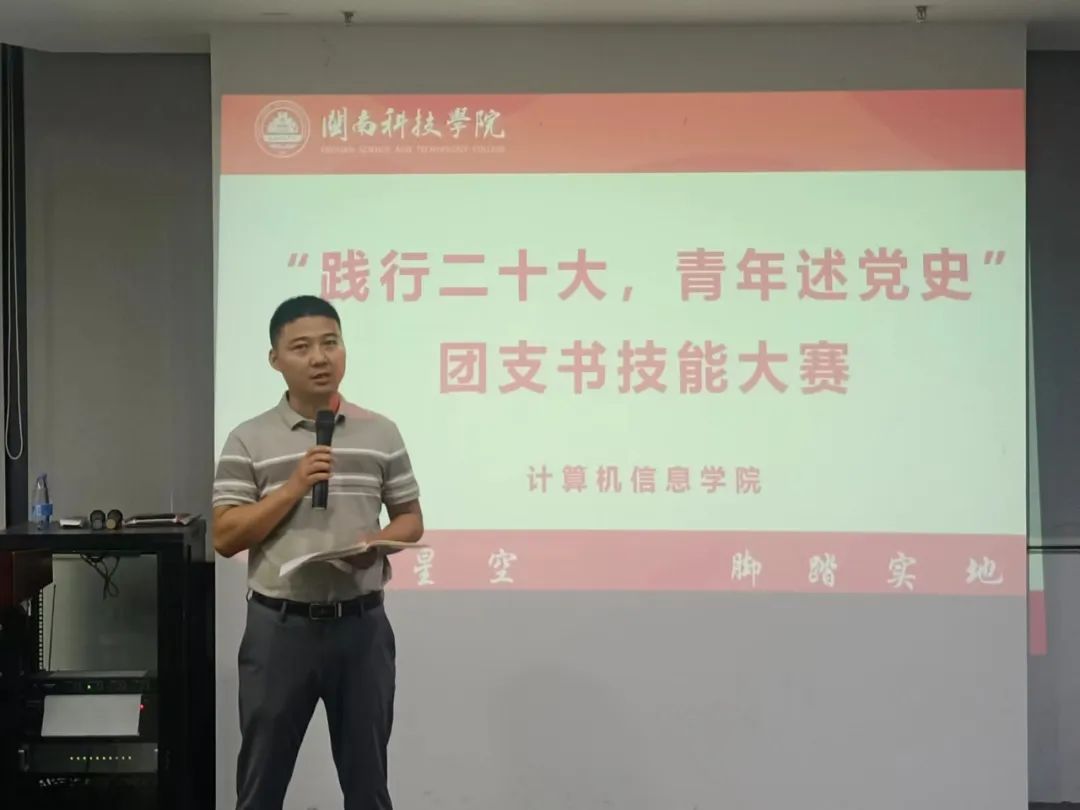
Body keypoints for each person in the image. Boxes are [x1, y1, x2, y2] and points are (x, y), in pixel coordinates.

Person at [212, 295, 423, 810]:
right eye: (302, 347)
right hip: (280, 629)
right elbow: (225, 536)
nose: (320, 358)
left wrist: (375, 545)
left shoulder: (380, 432)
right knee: (261, 784)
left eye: (331, 343)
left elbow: (411, 519)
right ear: (275, 359)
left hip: (361, 628)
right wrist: (292, 487)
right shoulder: (248, 438)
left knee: (368, 785)